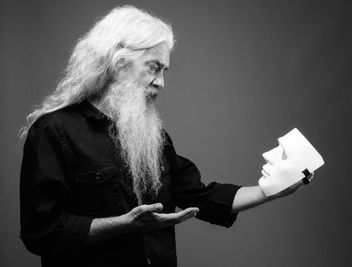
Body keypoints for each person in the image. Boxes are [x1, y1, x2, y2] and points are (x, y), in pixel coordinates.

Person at [19, 5, 310, 267]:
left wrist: (271, 190)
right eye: (154, 68)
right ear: (119, 64)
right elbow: (41, 233)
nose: (161, 82)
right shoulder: (53, 131)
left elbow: (200, 196)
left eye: (164, 70)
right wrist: (124, 224)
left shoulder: (152, 137)